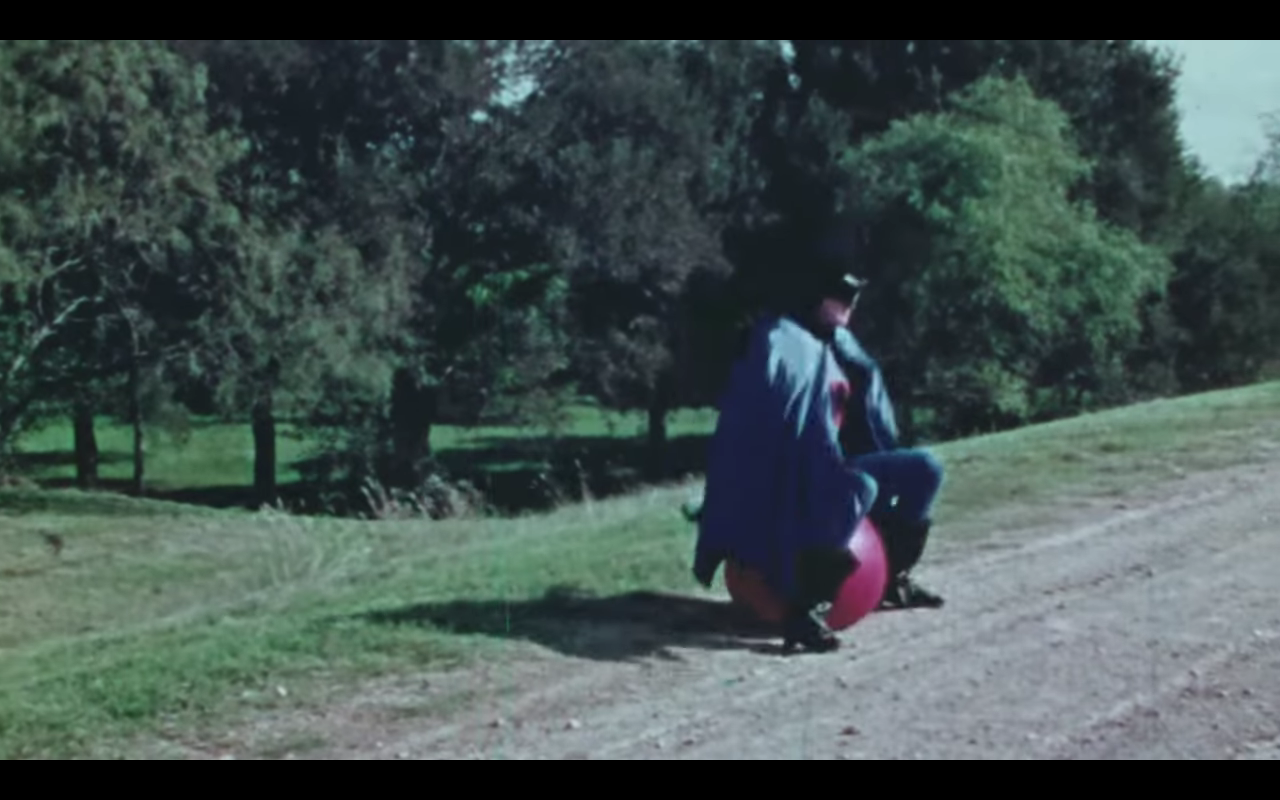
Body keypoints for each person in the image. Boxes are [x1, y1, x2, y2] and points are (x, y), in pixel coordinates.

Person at [690, 259, 945, 655]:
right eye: (840, 296)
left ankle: (894, 580)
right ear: (814, 298)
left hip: (833, 462)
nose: (849, 304)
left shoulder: (843, 345)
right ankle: (805, 611)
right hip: (789, 473)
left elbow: (867, 412)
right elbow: (757, 421)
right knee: (859, 487)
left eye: (854, 297)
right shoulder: (778, 341)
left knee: (924, 469)